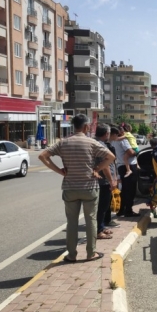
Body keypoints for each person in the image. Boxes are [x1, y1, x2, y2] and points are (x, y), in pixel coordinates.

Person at [39, 113, 115, 263]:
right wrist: (97, 169)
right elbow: (111, 157)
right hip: (89, 187)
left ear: (74, 126)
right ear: (86, 126)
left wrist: (59, 171)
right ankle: (90, 253)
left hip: (70, 187)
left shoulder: (63, 143)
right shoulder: (91, 143)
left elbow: (43, 156)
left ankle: (71, 255)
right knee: (91, 220)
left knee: (71, 222)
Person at [93, 124, 118, 240]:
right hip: (103, 182)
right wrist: (111, 180)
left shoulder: (98, 143)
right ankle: (98, 230)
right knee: (102, 207)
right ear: (106, 134)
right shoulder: (100, 145)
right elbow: (105, 166)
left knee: (104, 207)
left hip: (102, 181)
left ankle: (101, 227)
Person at [110, 127, 140, 217]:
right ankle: (128, 210)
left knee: (124, 189)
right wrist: (137, 152)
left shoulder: (113, 141)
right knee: (130, 190)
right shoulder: (124, 141)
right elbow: (131, 153)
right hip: (130, 165)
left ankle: (121, 209)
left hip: (120, 165)